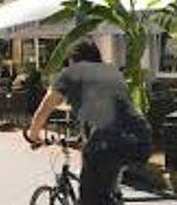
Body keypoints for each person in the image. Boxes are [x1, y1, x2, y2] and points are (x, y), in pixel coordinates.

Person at [26, 42, 152, 205]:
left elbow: (44, 109)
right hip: (142, 139)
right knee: (106, 189)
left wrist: (33, 135)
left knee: (90, 199)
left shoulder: (70, 73)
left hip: (106, 143)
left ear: (73, 60)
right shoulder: (113, 72)